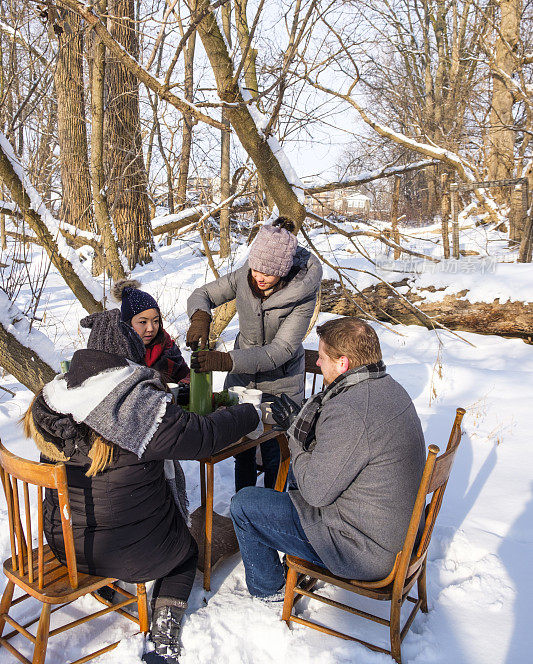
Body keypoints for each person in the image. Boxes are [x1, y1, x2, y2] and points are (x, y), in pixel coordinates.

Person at [23, 313, 260, 664]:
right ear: (128, 358)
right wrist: (249, 413)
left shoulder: (54, 397)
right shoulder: (135, 407)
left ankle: (103, 584)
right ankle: (163, 634)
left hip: (64, 544)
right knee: (184, 553)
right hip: (127, 552)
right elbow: (204, 437)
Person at [229, 317, 426, 599]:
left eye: (321, 358)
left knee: (244, 504)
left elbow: (316, 494)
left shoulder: (351, 410)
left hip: (363, 550)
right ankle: (295, 555)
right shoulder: (389, 387)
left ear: (343, 362)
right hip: (393, 533)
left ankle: (269, 589)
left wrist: (294, 436)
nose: (318, 364)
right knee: (298, 473)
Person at [185, 217, 322, 491]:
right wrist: (200, 317)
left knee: (274, 454)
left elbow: (279, 351)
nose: (258, 276)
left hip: (280, 384)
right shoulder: (245, 276)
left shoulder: (303, 293)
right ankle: (241, 507)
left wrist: (225, 361)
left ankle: (270, 512)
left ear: (283, 271)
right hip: (241, 382)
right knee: (242, 449)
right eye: (256, 268)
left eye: (267, 273)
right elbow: (203, 293)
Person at [82, 280, 189, 399]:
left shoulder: (166, 345)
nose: (151, 328)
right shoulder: (115, 350)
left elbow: (185, 374)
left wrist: (184, 386)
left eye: (155, 321)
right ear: (128, 323)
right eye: (143, 322)